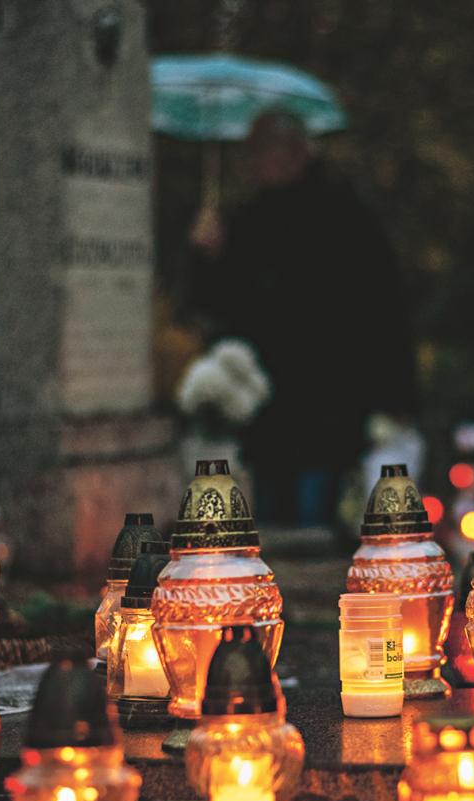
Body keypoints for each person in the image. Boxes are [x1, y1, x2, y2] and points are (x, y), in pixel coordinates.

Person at [193, 108, 415, 526]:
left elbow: (384, 309)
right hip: (265, 411)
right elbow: (218, 309)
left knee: (316, 525)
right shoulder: (244, 223)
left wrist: (395, 397)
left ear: (296, 152)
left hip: (329, 407)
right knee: (270, 526)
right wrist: (207, 257)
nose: (254, 162)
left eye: (264, 150)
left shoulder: (347, 218)